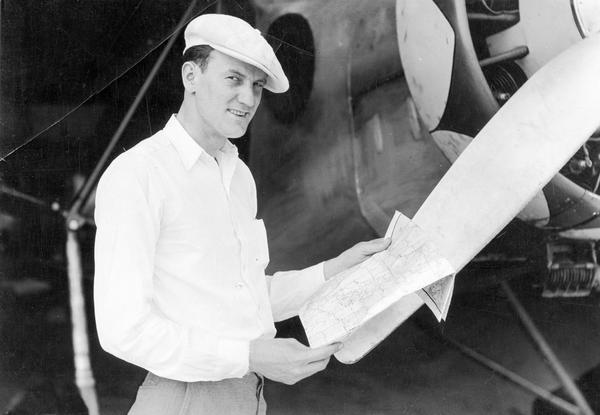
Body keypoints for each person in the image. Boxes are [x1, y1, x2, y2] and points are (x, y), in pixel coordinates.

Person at [93, 13, 390, 415]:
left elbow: (245, 297)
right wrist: (249, 357)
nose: (248, 99)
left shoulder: (239, 178)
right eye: (233, 79)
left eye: (257, 85)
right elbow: (122, 331)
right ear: (190, 76)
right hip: (185, 399)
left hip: (247, 396)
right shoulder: (138, 174)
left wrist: (333, 270)